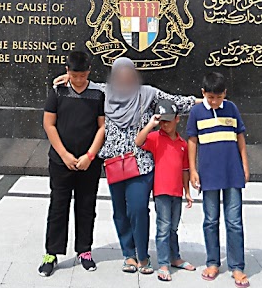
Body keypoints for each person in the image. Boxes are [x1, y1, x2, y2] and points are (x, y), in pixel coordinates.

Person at [59, 57, 197, 275]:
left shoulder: (147, 93)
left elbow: (175, 102)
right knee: (120, 212)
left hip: (140, 163)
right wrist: (68, 77)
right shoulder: (104, 92)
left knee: (138, 209)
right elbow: (82, 85)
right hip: (114, 163)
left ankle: (143, 256)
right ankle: (128, 254)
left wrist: (204, 101)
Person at [39, 49, 106, 277]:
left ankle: (84, 250)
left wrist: (90, 155)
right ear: (67, 72)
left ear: (89, 72)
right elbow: (49, 124)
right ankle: (51, 253)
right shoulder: (58, 91)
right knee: (58, 206)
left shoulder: (97, 94)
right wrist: (65, 155)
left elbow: (102, 127)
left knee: (86, 207)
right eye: (75, 75)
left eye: (83, 75)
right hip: (61, 161)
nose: (79, 80)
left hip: (89, 162)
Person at [186, 71, 250, 288]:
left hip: (232, 172)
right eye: (210, 97)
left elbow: (240, 137)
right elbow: (192, 142)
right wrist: (193, 170)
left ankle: (237, 266)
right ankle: (212, 262)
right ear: (203, 93)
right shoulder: (196, 112)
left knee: (234, 221)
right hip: (209, 173)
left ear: (225, 93)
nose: (214, 101)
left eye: (218, 97)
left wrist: (245, 166)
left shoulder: (231, 109)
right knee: (210, 220)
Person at [136, 99, 195, 282]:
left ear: (177, 119)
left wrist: (187, 192)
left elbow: (185, 169)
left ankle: (175, 257)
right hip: (161, 190)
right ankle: (163, 263)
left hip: (177, 191)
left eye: (168, 121)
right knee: (163, 227)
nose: (165, 125)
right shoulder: (155, 137)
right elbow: (138, 141)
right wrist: (151, 124)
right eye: (162, 121)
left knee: (173, 228)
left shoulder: (182, 143)